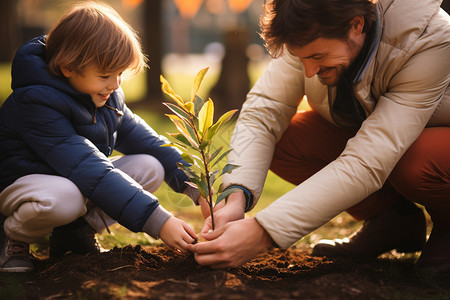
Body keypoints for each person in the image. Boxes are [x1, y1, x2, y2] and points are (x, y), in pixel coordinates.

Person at [190, 0, 450, 275]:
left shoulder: (430, 41)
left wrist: (263, 232)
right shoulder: (306, 30)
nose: (309, 72)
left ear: (357, 25)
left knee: (416, 161)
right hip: (387, 144)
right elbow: (264, 112)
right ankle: (393, 221)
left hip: (432, 146)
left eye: (317, 57)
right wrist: (236, 194)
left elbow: (368, 162)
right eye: (301, 58)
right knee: (287, 140)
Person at [0, 2, 200, 272]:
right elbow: (87, 165)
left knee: (150, 166)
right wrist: (159, 221)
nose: (116, 84)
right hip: (24, 187)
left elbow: (148, 142)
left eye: (120, 74)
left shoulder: (105, 95)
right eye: (106, 74)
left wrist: (196, 188)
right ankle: (13, 235)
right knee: (65, 198)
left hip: (73, 178)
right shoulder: (36, 101)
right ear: (69, 67)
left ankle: (74, 235)